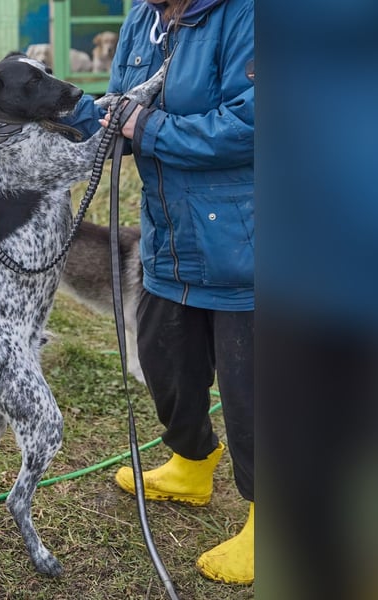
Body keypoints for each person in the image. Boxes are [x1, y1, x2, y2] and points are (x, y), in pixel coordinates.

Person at [61, 0, 254, 585]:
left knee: (255, 395)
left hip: (249, 244)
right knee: (165, 364)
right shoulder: (144, 19)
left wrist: (144, 128)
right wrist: (51, 117)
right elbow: (120, 105)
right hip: (167, 238)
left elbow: (254, 122)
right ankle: (193, 464)